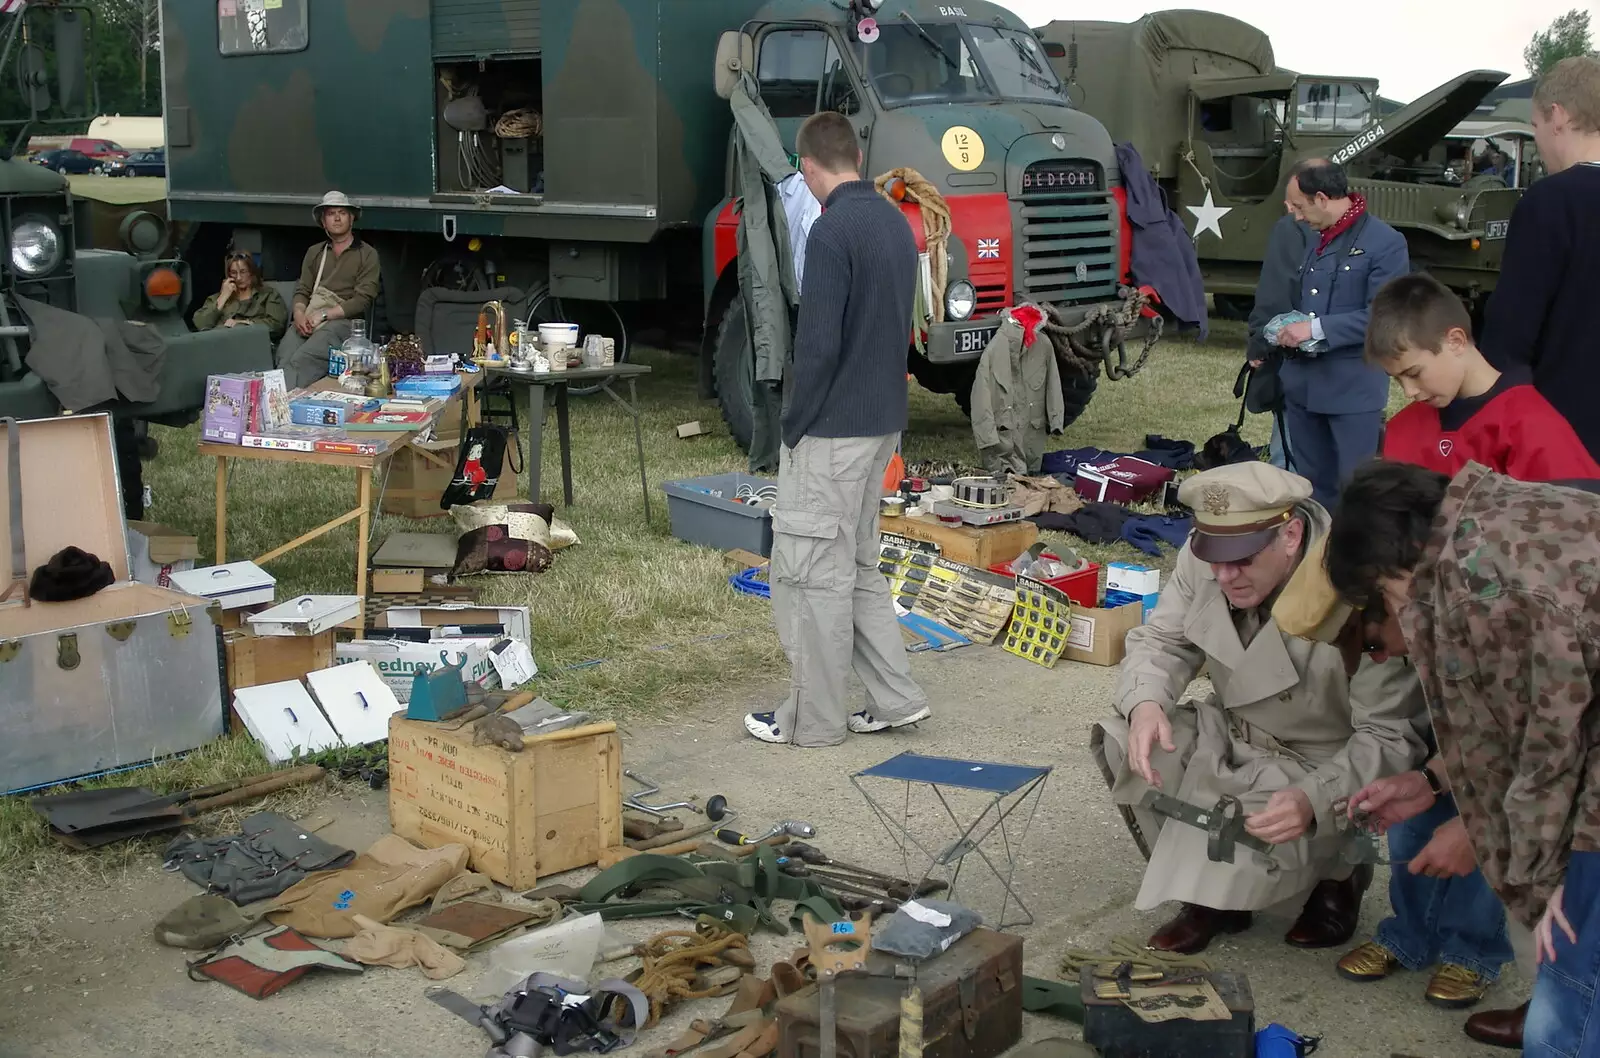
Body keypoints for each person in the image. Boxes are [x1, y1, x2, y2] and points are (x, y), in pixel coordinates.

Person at [1311, 273, 1599, 1029]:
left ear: (1457, 340)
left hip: (1540, 697)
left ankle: (1512, 968)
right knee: (1434, 798)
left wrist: (1505, 859)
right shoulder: (1421, 461)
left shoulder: (1525, 451)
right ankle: (1431, 935)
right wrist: (1437, 776)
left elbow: (1550, 732)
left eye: (1413, 371)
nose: (1410, 389)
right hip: (1482, 681)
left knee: (1509, 829)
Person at [1287, 460, 1600, 1056]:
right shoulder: (1484, 523)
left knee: (1571, 1000)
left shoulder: (1486, 592)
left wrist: (1541, 875)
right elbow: (1524, 721)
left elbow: (1551, 746)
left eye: (1380, 601)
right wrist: (1431, 784)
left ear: (1393, 574)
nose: (1395, 620)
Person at [1089, 461, 1427, 954]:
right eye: (1214, 557)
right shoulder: (1208, 556)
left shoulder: (1357, 580)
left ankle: (1340, 874)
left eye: (1242, 559)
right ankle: (1214, 893)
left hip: (1323, 756)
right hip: (1236, 732)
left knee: (1315, 801)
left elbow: (1391, 735)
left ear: (1291, 535)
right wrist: (1145, 704)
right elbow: (1163, 639)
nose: (1224, 575)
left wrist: (1313, 798)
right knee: (1128, 738)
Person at [742, 111, 930, 748]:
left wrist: (792, 425)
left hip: (832, 428)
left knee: (808, 576)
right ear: (855, 156)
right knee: (857, 566)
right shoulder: (892, 222)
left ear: (807, 167)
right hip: (882, 424)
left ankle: (811, 720)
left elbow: (817, 346)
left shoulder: (829, 231)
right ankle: (895, 698)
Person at [1479, 56, 1600, 460]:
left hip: (1567, 438)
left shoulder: (1551, 202)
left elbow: (1510, 337)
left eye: (1534, 127)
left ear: (1557, 116)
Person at [1274, 158, 1409, 508]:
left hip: (1352, 390)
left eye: (1300, 207)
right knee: (1313, 491)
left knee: (1355, 492)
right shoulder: (1315, 235)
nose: (1297, 216)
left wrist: (1314, 328)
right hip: (1305, 387)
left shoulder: (1385, 242)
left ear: (1321, 198)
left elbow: (1384, 316)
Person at [278, 190, 381, 388]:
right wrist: (299, 314)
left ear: (351, 219)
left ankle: (286, 404)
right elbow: (303, 289)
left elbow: (362, 300)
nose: (336, 217)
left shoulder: (367, 254)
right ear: (323, 222)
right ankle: (279, 403)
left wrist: (325, 314)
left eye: (342, 212)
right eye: (330, 213)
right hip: (311, 316)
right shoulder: (315, 252)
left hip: (345, 323)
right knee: (285, 352)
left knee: (305, 358)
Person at [1245, 209, 1313, 470]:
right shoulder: (1370, 233)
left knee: (1288, 463)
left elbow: (1277, 293)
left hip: (1298, 363)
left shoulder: (1292, 229)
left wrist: (1261, 342)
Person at [192, 251, 288, 341]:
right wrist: (223, 297)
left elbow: (277, 325)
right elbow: (201, 324)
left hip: (252, 344)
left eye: (243, 272)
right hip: (219, 344)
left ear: (251, 272)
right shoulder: (218, 298)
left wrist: (244, 324)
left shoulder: (268, 295)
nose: (238, 278)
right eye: (234, 273)